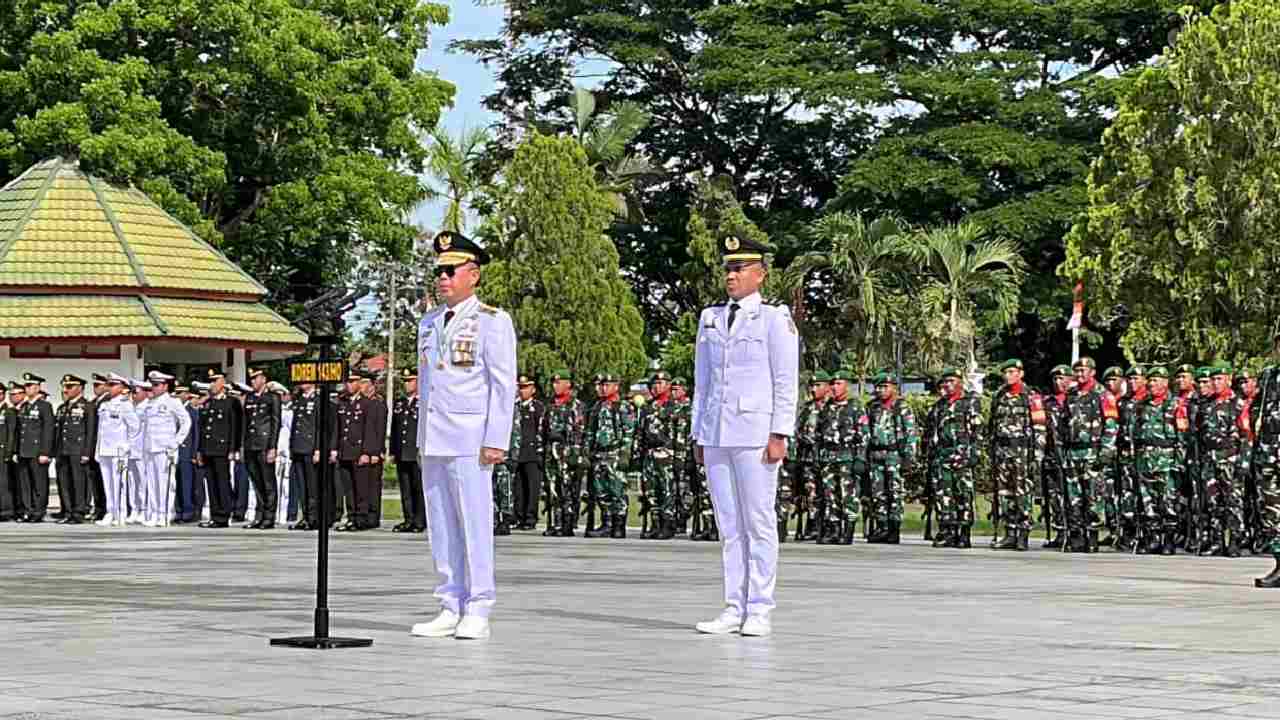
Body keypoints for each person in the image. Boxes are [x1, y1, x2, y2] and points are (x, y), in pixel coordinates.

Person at [410, 230, 516, 641]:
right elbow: (427, 382)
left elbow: (502, 384)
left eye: (450, 270)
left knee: (473, 522)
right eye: (439, 271)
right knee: (440, 524)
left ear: (473, 274)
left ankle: (479, 605)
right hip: (434, 436)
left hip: (470, 436)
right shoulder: (429, 321)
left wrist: (496, 439)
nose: (442, 278)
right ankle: (449, 602)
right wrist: (420, 437)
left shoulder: (491, 320)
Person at [691, 234, 798, 637]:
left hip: (755, 432)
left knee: (758, 521)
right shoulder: (711, 317)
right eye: (728, 268)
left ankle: (759, 607)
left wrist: (780, 432)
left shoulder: (774, 318)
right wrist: (698, 433)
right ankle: (733, 606)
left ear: (761, 274)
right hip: (717, 431)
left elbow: (785, 379)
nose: (731, 275)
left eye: (739, 268)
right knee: (728, 523)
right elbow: (703, 380)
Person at [985, 360, 1045, 551]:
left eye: (1012, 371)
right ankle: (1009, 532)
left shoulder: (1031, 396)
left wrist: (1037, 455)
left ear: (1021, 373)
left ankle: (1023, 533)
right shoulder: (999, 396)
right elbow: (992, 424)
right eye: (1005, 372)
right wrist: (991, 450)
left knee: (1022, 493)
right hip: (1002, 452)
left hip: (1022, 452)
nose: (1008, 375)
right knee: (1004, 494)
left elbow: (1040, 427)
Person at [1062, 357, 1120, 553]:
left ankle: (1092, 535)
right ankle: (1076, 535)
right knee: (1073, 496)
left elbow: (1111, 425)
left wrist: (1106, 451)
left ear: (1093, 372)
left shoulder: (1104, 395)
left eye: (1083, 371)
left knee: (1093, 496)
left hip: (1093, 451)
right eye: (1077, 371)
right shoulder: (1071, 394)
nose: (1080, 375)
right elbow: (1064, 424)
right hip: (1073, 452)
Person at [1132, 365, 1187, 555]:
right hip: (1145, 459)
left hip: (1167, 458)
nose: (1151, 384)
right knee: (1148, 500)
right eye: (1150, 380)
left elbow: (1182, 436)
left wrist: (1179, 463)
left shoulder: (1176, 404)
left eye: (1155, 380)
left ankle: (1169, 539)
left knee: (1168, 500)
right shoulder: (1141, 405)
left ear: (1165, 383)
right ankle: (1153, 538)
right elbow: (1135, 433)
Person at [926, 367, 983, 549]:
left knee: (963, 494)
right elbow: (930, 432)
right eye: (945, 382)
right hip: (942, 456)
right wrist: (928, 454)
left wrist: (975, 453)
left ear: (960, 382)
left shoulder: (970, 402)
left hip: (962, 455)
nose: (948, 385)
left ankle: (964, 532)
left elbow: (977, 431)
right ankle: (947, 531)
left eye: (952, 381)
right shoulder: (939, 406)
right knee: (943, 495)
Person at [863, 372, 918, 545]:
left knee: (895, 492)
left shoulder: (902, 407)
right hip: (876, 454)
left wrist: (909, 456)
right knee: (878, 492)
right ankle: (882, 526)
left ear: (894, 387)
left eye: (885, 386)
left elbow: (911, 433)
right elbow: (866, 431)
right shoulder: (872, 407)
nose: (881, 390)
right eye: (878, 387)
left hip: (894, 454)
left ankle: (894, 527)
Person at [815, 368, 865, 545]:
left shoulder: (856, 407)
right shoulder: (827, 408)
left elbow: (863, 434)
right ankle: (833, 529)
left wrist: (859, 459)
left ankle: (848, 530)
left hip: (847, 457)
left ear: (847, 386)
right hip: (829, 457)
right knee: (830, 495)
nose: (835, 387)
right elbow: (819, 434)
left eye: (839, 384)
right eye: (833, 384)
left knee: (848, 495)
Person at [142, 371, 191, 527]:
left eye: (156, 385)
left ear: (165, 386)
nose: (154, 388)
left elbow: (186, 422)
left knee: (165, 483)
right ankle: (155, 513)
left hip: (165, 449)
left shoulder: (172, 402)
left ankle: (165, 514)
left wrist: (176, 442)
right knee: (152, 483)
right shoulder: (149, 403)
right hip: (150, 448)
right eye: (152, 385)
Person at [542, 370, 587, 537]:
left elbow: (580, 431)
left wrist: (576, 453)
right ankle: (556, 522)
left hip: (568, 453)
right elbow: (543, 429)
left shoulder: (576, 406)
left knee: (567, 489)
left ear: (568, 384)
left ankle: (568, 523)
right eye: (554, 382)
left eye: (559, 382)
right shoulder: (550, 405)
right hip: (551, 452)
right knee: (552, 488)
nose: (555, 386)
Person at [635, 370, 676, 539]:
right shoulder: (647, 407)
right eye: (654, 384)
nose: (656, 387)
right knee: (650, 490)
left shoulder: (675, 406)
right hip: (649, 454)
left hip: (667, 454)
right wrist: (637, 454)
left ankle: (668, 524)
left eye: (660, 383)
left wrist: (680, 458)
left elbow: (680, 433)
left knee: (666, 489)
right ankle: (655, 523)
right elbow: (640, 432)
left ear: (668, 385)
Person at [95, 374, 140, 527]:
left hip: (119, 451)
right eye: (109, 385)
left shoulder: (125, 405)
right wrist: (97, 450)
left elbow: (135, 428)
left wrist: (127, 445)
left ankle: (120, 513)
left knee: (119, 484)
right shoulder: (104, 405)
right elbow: (101, 430)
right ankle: (110, 512)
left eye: (114, 385)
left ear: (122, 388)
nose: (110, 388)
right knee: (108, 484)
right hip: (105, 450)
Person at [198, 369, 239, 529]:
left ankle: (224, 515)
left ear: (222, 383)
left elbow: (234, 426)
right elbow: (203, 429)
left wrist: (233, 448)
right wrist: (200, 450)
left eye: (215, 381)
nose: (212, 385)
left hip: (222, 449)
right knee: (211, 483)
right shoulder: (208, 402)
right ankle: (215, 515)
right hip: (208, 448)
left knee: (222, 482)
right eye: (211, 381)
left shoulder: (231, 402)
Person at [53, 374, 95, 524]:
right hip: (63, 450)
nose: (66, 390)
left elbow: (90, 431)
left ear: (80, 388)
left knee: (78, 482)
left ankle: (79, 512)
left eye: (70, 387)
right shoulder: (63, 407)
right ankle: (68, 511)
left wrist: (87, 452)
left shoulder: (87, 406)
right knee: (64, 482)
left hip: (78, 450)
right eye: (65, 387)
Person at [241, 369, 280, 529]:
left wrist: (272, 447)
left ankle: (269, 517)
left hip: (265, 444)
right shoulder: (250, 397)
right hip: (251, 444)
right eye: (251, 380)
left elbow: (276, 422)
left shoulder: (272, 397)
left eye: (256, 379)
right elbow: (245, 423)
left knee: (268, 482)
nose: (253, 382)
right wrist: (242, 445)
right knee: (257, 482)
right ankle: (259, 515)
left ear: (263, 379)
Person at [16, 372, 55, 523]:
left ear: (38, 387)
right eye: (25, 386)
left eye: (30, 386)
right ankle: (28, 510)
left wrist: (45, 451)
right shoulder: (24, 406)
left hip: (37, 451)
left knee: (39, 483)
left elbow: (48, 430)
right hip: (24, 450)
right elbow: (20, 430)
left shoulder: (45, 406)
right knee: (26, 483)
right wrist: (16, 450)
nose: (27, 388)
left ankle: (39, 511)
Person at [392, 369, 425, 534]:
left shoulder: (425, 403)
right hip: (402, 452)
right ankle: (408, 518)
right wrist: (393, 451)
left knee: (418, 488)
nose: (407, 384)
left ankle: (420, 520)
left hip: (417, 452)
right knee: (405, 489)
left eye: (410, 380)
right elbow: (395, 429)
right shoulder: (400, 403)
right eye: (405, 381)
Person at [288, 380, 323, 531]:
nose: (302, 383)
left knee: (311, 486)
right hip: (298, 447)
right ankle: (305, 516)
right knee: (302, 486)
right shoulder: (300, 399)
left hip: (310, 448)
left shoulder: (317, 400)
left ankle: (313, 517)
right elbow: (295, 425)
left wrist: (317, 449)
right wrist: (292, 446)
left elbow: (319, 427)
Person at [354, 374, 387, 530]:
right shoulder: (363, 404)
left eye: (364, 384)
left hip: (374, 451)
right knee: (362, 487)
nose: (362, 387)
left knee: (373, 486)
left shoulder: (377, 404)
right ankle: (364, 515)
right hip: (364, 450)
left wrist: (377, 451)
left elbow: (378, 430)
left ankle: (373, 517)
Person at [513, 376, 545, 531]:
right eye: (520, 387)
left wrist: (540, 451)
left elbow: (541, 430)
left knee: (532, 488)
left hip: (532, 454)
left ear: (533, 389)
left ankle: (530, 518)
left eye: (526, 387)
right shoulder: (515, 407)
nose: (522, 390)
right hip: (517, 453)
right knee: (518, 488)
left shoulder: (538, 407)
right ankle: (519, 516)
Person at [126, 378, 151, 523]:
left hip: (142, 450)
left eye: (136, 392)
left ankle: (144, 509)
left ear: (145, 393)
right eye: (132, 392)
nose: (133, 395)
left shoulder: (148, 408)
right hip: (130, 450)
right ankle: (134, 508)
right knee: (131, 481)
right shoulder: (130, 407)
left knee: (143, 481)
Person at [87, 374, 111, 521]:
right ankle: (98, 507)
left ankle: (104, 509)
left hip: (104, 446)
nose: (95, 388)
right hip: (94, 447)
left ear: (106, 386)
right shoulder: (94, 402)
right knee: (95, 479)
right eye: (94, 386)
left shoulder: (108, 401)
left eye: (98, 385)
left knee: (104, 481)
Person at [0, 380, 17, 521]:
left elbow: (11, 433)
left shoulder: (9, 411)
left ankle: (6, 510)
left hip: (3, 450)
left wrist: (9, 452)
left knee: (4, 482)